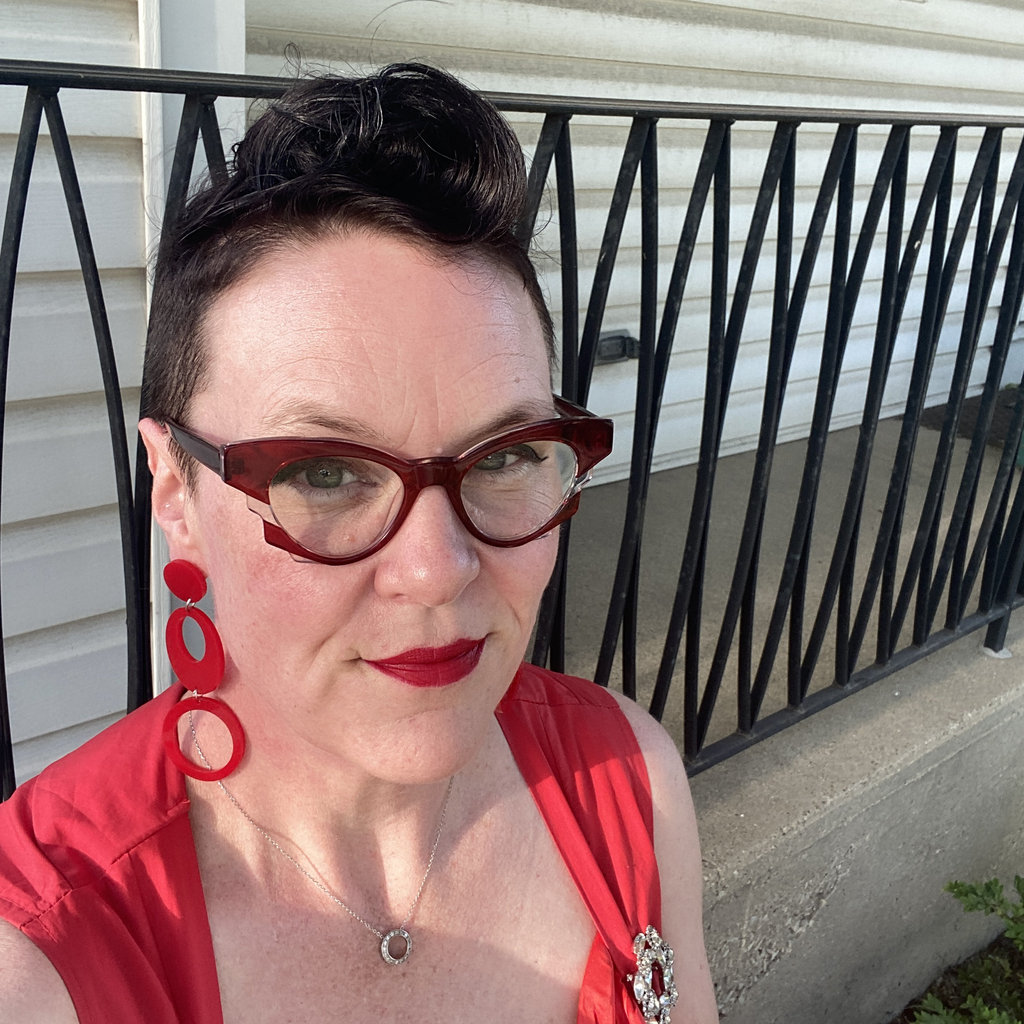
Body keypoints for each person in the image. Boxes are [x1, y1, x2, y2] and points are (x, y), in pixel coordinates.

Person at [0, 63, 717, 1023]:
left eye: (505, 455)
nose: (437, 570)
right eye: (326, 472)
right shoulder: (36, 965)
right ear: (176, 491)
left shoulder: (630, 779)